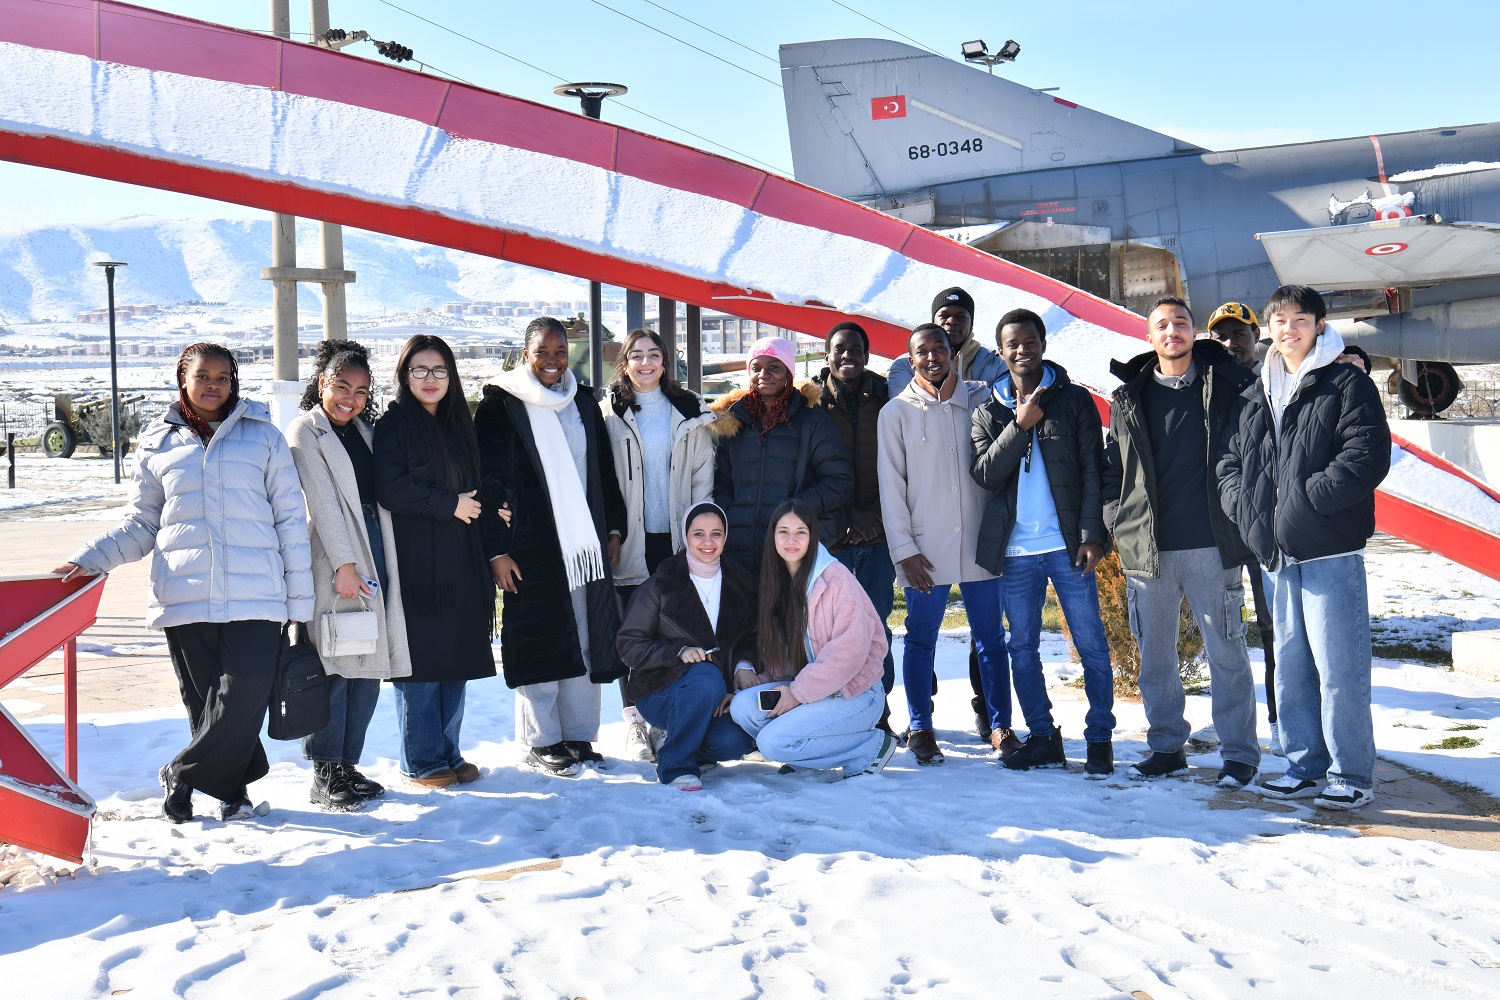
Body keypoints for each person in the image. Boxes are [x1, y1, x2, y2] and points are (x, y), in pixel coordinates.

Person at [53, 342, 313, 823]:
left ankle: (182, 772)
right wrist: (91, 558)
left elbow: (290, 520)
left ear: (234, 382)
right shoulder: (158, 442)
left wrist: (300, 600)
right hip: (184, 593)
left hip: (258, 593)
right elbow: (142, 524)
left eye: (223, 377)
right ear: (183, 380)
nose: (214, 385)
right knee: (206, 703)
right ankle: (233, 795)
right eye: (203, 376)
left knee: (244, 694)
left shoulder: (263, 435)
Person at [1218, 285, 1391, 810]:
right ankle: (1304, 766)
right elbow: (1230, 462)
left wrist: (1306, 502)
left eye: (1300, 319)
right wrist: (1246, 508)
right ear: (1268, 327)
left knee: (1340, 669)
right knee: (1291, 667)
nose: (1288, 328)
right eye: (1279, 320)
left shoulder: (1346, 382)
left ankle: (1351, 773)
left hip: (1328, 548)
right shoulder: (1257, 390)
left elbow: (1366, 455)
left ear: (1319, 324)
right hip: (1275, 553)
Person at [1103, 296, 1261, 786]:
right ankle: (1166, 747)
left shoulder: (1227, 384)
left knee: (1227, 652)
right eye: (1162, 325)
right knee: (1156, 657)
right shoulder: (1128, 398)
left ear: (1194, 332)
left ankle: (1240, 753)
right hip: (1148, 548)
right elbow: (1113, 468)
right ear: (1149, 336)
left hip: (1212, 543)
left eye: (1181, 323)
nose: (1172, 331)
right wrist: (1116, 520)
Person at [477, 317, 628, 777]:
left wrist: (613, 530)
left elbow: (603, 471)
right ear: (526, 354)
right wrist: (496, 549)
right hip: (531, 545)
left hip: (583, 544)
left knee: (583, 637)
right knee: (541, 639)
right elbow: (488, 481)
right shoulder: (502, 404)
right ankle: (542, 739)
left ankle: (578, 734)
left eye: (560, 351)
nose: (552, 360)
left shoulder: (582, 402)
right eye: (542, 352)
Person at [971, 308, 1117, 776]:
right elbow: (985, 474)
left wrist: (1093, 535)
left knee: (1092, 644)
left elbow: (1093, 470)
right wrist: (1020, 424)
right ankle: (1043, 737)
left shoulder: (1074, 400)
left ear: (1044, 345)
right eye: (1012, 344)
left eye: (1030, 341)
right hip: (1015, 552)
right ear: (1000, 352)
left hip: (1066, 546)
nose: (1022, 350)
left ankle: (1099, 739)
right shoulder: (987, 410)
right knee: (1022, 649)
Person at [878, 323, 1012, 766]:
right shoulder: (895, 413)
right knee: (920, 639)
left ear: (952, 352)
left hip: (979, 542)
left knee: (991, 639)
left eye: (940, 348)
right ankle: (920, 727)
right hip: (925, 550)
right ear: (911, 359)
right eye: (923, 351)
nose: (933, 357)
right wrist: (904, 551)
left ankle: (1000, 726)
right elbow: (891, 489)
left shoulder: (981, 399)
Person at [287, 340, 413, 810]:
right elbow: (321, 502)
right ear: (322, 382)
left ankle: (346, 764)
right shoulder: (306, 431)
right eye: (342, 386)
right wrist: (344, 565)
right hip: (332, 553)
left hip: (375, 544)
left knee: (367, 660)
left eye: (361, 391)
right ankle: (324, 769)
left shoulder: (364, 430)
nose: (350, 398)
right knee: (336, 662)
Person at [375, 334, 496, 789]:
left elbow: (476, 485)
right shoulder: (395, 425)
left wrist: (491, 507)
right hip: (418, 563)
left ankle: (448, 751)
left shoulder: (458, 424)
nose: (431, 379)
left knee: (455, 656)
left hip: (461, 559)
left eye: (439, 370)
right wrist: (449, 505)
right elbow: (391, 488)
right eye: (420, 370)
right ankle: (421, 758)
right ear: (405, 375)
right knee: (422, 662)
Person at [602, 328, 716, 761]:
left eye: (654, 354)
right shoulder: (607, 412)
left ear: (666, 361)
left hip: (676, 540)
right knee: (631, 633)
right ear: (625, 362)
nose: (646, 362)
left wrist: (699, 537)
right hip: (629, 540)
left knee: (676, 633)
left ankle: (667, 720)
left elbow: (703, 479)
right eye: (637, 355)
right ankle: (634, 720)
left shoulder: (689, 410)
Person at [729, 500, 896, 777]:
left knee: (772, 742)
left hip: (855, 692)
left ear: (812, 536)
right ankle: (805, 755)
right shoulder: (779, 581)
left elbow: (848, 654)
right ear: (772, 537)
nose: (791, 540)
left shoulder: (836, 580)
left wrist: (797, 693)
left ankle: (870, 747)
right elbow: (783, 656)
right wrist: (758, 682)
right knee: (744, 707)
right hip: (814, 688)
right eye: (783, 532)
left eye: (801, 532)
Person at [617, 502, 758, 790]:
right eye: (698, 534)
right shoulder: (662, 583)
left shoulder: (741, 581)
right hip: (660, 690)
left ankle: (690, 748)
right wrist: (677, 652)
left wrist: (744, 665)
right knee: (706, 675)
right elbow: (628, 644)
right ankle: (675, 764)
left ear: (725, 537)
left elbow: (752, 636)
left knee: (734, 741)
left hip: (718, 696)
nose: (708, 542)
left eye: (716, 534)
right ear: (685, 536)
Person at [809, 320, 897, 734]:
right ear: (827, 355)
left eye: (856, 349)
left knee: (877, 624)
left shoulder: (887, 396)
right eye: (839, 349)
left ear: (867, 354)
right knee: (832, 631)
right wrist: (847, 518)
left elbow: (901, 464)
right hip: (833, 536)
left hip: (880, 533)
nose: (848, 356)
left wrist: (876, 516)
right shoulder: (810, 402)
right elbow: (810, 470)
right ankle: (837, 712)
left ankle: (879, 712)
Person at [1207, 301, 1282, 756]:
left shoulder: (1275, 378)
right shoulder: (1206, 382)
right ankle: (1234, 729)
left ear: (1256, 336)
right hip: (1222, 524)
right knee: (1224, 632)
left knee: (1276, 628)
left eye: (1239, 333)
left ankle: (1282, 721)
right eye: (1221, 335)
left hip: (1270, 524)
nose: (1230, 343)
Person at [711, 336, 853, 575]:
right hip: (738, 549)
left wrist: (795, 508)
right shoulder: (735, 423)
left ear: (788, 371)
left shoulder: (811, 421)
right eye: (756, 368)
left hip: (791, 549)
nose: (764, 374)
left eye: (774, 367)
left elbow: (839, 480)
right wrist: (731, 517)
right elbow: (722, 481)